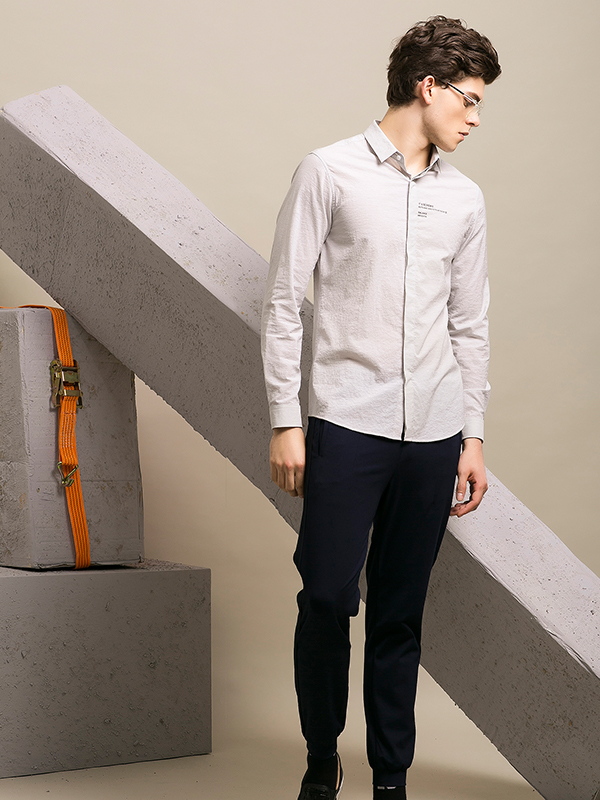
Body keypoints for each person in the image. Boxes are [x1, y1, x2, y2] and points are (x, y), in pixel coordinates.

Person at [261, 15, 501, 800]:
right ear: (427, 87)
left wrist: (472, 435)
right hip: (345, 425)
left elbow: (470, 323)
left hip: (433, 436)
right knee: (328, 596)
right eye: (468, 99)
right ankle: (319, 757)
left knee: (400, 615)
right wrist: (286, 419)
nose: (475, 117)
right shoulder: (328, 172)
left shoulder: (464, 200)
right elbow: (283, 302)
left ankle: (391, 779)